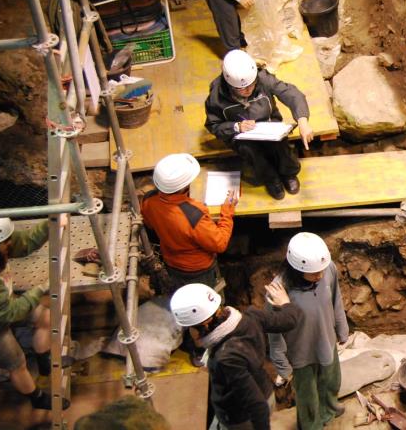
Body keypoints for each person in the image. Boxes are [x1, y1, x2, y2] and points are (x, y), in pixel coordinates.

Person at [170, 281, 302, 430]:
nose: (189, 333)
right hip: (265, 390)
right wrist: (285, 304)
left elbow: (257, 406)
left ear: (205, 324)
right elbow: (289, 320)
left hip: (242, 417)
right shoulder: (251, 317)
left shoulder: (227, 358)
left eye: (189, 328)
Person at [0, 215, 69, 410]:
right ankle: (37, 398)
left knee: (45, 318)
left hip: (2, 305)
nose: (10, 244)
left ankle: (45, 362)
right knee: (16, 363)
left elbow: (24, 242)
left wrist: (51, 224)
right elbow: (7, 314)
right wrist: (38, 291)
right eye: (6, 242)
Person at [205, 50, 313, 200]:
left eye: (251, 85)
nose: (248, 90)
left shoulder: (263, 79)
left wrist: (302, 120)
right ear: (230, 85)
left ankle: (288, 174)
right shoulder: (216, 97)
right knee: (250, 151)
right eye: (241, 88)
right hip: (242, 135)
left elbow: (291, 93)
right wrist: (236, 127)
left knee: (280, 144)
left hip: (269, 125)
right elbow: (213, 124)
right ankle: (271, 179)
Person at [269, 232, 348, 430]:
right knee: (307, 394)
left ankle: (329, 408)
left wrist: (342, 329)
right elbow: (274, 333)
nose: (320, 276)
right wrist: (282, 365)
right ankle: (311, 424)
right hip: (301, 351)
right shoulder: (279, 290)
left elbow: (336, 300)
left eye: (321, 270)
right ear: (297, 269)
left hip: (326, 340)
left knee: (331, 380)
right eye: (313, 273)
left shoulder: (328, 269)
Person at [142, 153, 237, 293]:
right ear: (183, 186)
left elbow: (149, 224)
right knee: (206, 298)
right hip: (198, 270)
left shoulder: (148, 200)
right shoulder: (193, 216)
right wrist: (227, 211)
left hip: (171, 263)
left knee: (183, 293)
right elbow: (220, 243)